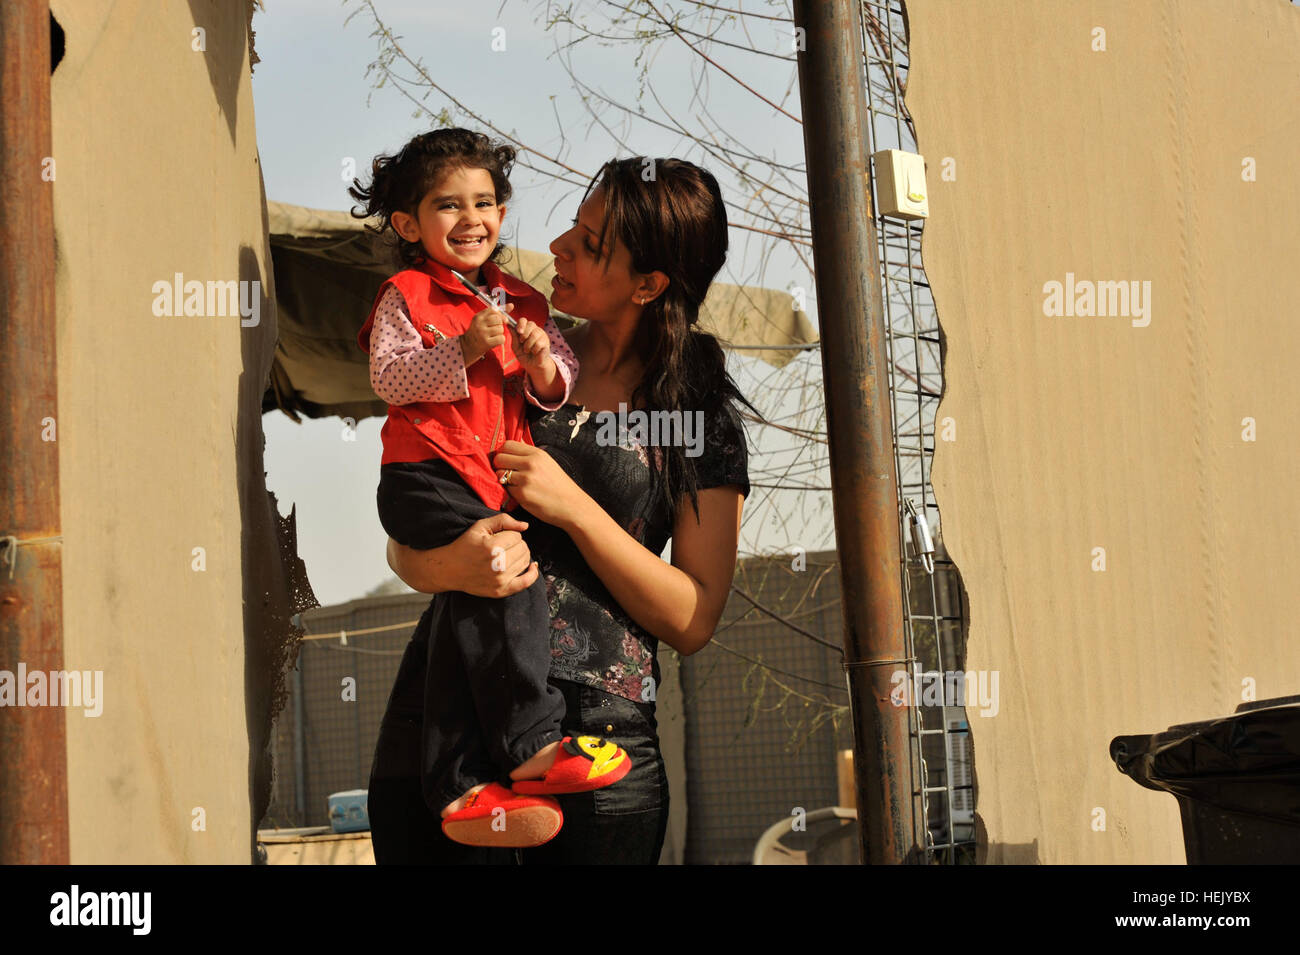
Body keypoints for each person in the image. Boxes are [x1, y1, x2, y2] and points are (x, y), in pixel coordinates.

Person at [368, 155, 755, 864]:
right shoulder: (514, 355)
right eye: (573, 226)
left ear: (650, 283)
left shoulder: (691, 413)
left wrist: (575, 507)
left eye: (592, 242)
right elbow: (407, 529)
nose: (558, 247)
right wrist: (450, 563)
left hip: (590, 749)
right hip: (438, 738)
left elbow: (695, 617)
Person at [349, 128, 632, 849]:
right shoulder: (406, 295)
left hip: (483, 479)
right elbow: (389, 377)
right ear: (410, 225)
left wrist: (539, 363)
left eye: (486, 201)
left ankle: (463, 785)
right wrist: (462, 348)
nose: (472, 218)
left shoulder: (524, 301)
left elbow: (558, 388)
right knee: (513, 578)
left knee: (470, 612)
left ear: (503, 213)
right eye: (448, 205)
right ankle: (533, 743)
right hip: (425, 474)